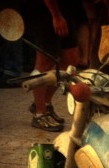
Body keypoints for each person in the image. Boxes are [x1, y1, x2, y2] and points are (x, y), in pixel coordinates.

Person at [23, 0, 81, 132]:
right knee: (45, 62)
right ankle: (40, 114)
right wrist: (56, 15)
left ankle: (45, 103)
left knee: (71, 60)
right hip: (45, 11)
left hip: (65, 9)